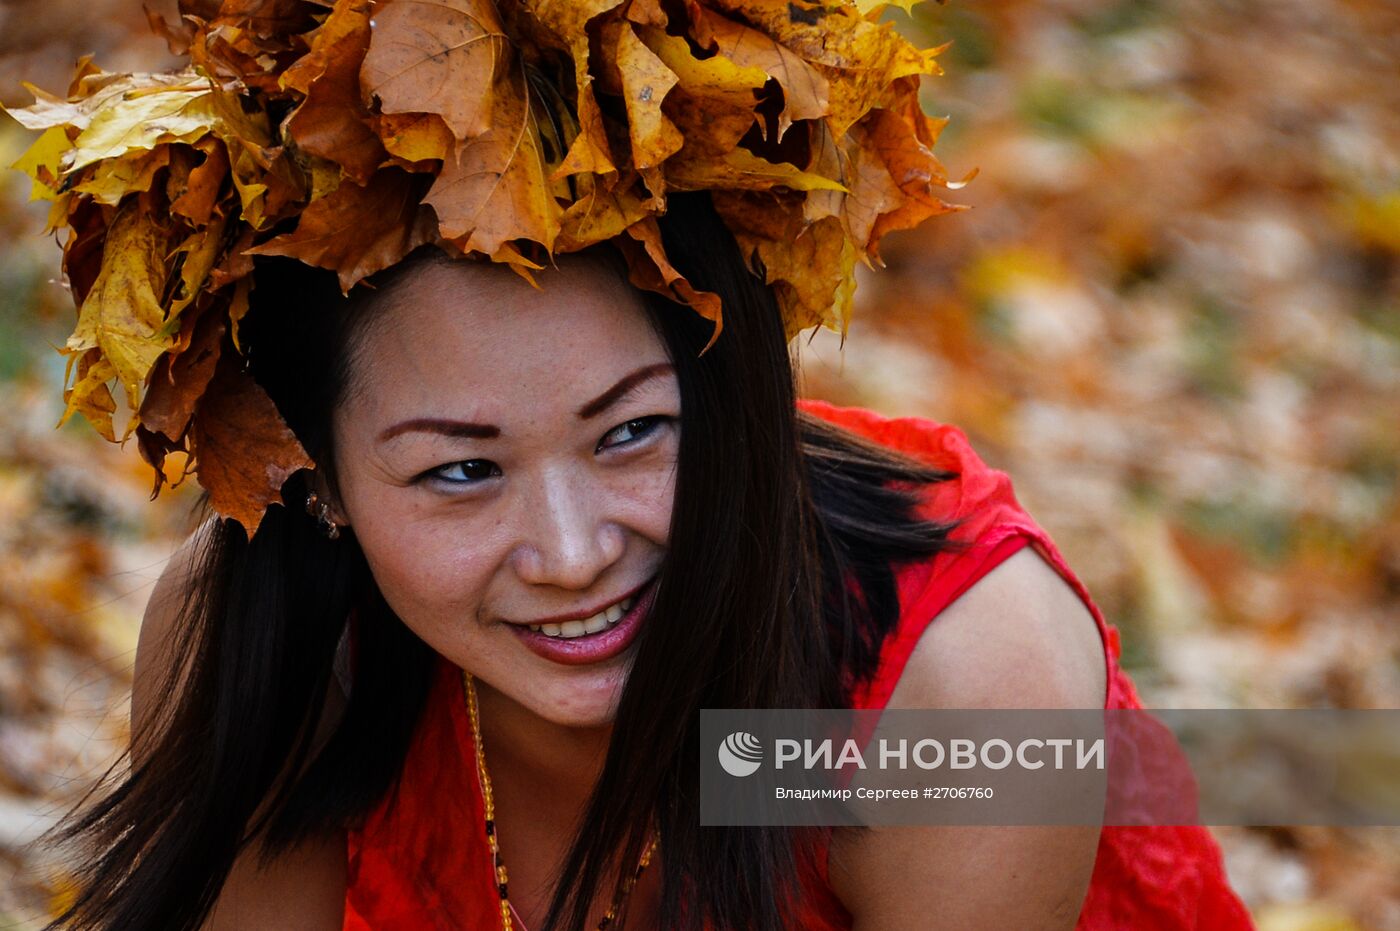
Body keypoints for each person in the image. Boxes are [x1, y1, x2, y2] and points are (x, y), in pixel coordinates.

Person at [12, 1, 1257, 928]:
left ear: (735, 402)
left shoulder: (953, 694)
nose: (572, 553)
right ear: (318, 479)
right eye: (458, 472)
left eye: (630, 433)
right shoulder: (266, 647)